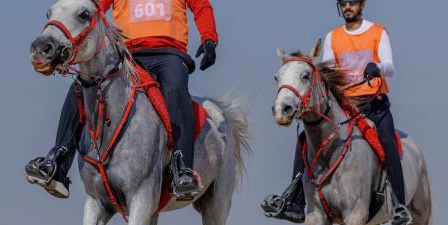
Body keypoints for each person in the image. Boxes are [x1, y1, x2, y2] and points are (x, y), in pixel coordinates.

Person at [25, 0, 218, 201]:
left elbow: (201, 6)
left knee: (176, 88)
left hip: (168, 54)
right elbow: (89, 6)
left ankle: (183, 169)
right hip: (127, 54)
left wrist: (209, 38)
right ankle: (57, 163)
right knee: (80, 86)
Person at [264, 1, 412, 224]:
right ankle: (295, 201)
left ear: (362, 4)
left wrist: (377, 68)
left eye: (352, 2)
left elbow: (389, 65)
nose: (347, 6)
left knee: (388, 141)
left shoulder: (376, 32)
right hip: (344, 104)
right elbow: (324, 75)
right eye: (343, 3)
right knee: (305, 139)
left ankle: (399, 206)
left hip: (373, 104)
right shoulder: (333, 37)